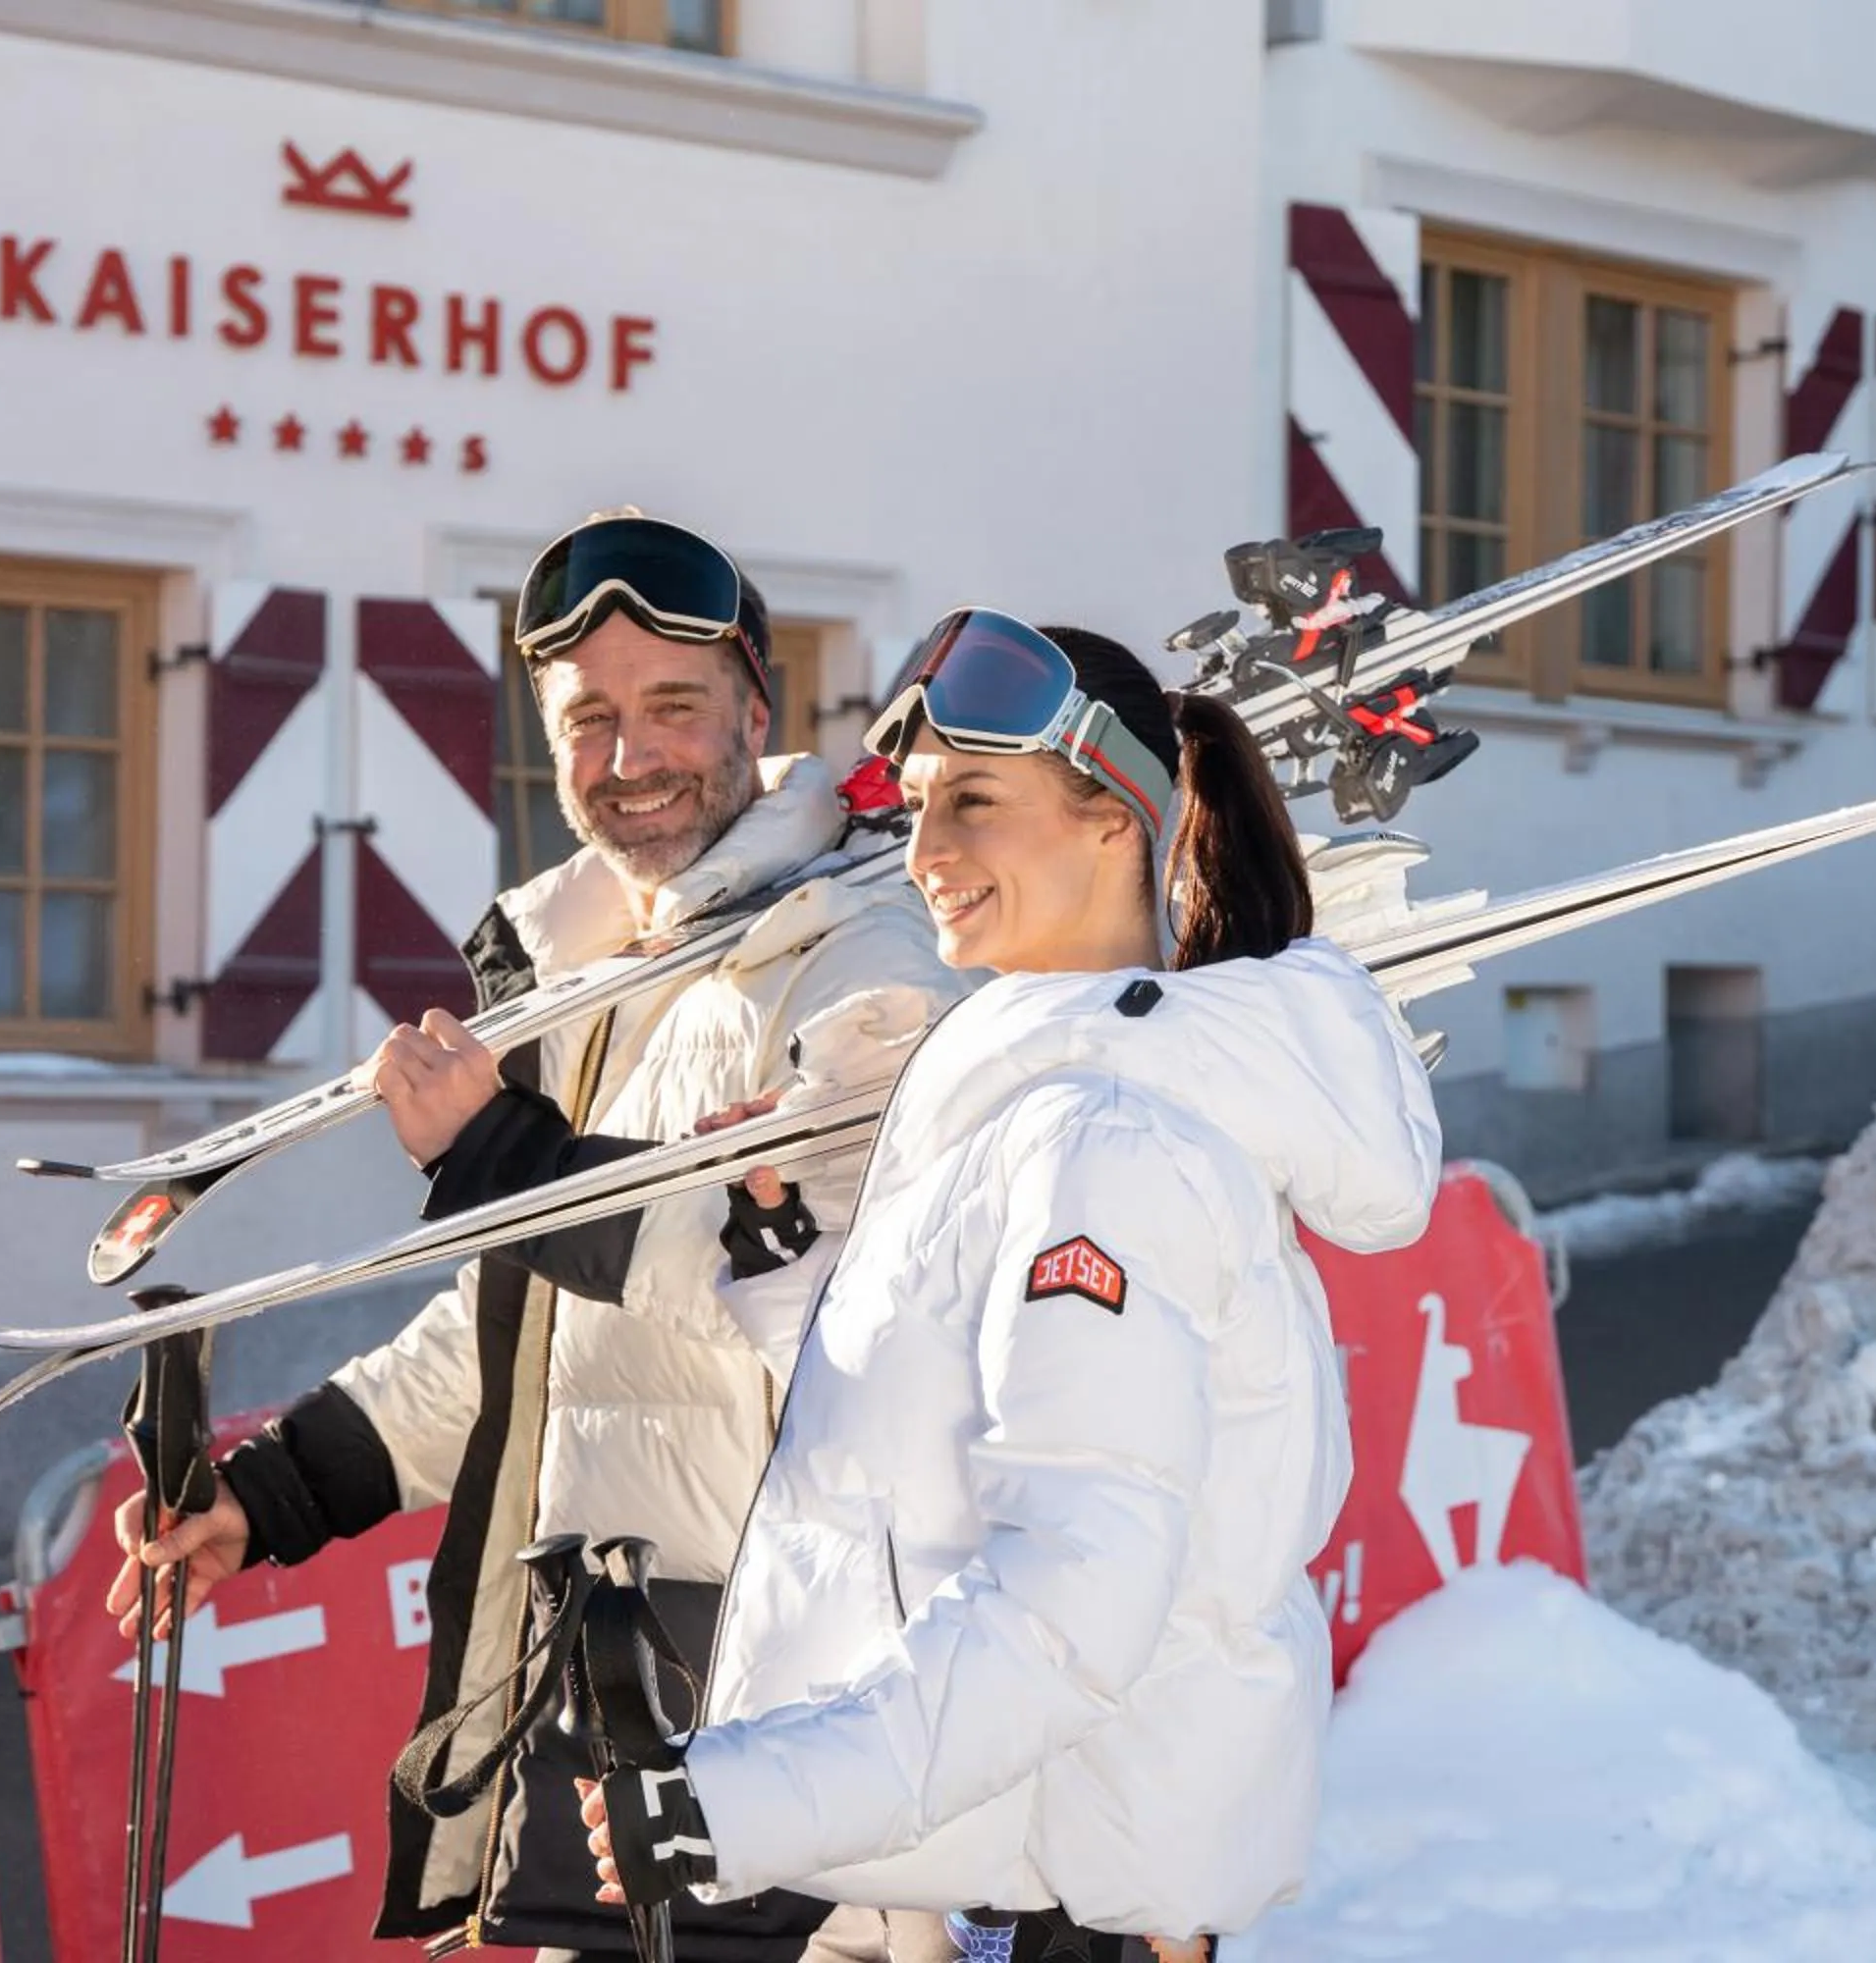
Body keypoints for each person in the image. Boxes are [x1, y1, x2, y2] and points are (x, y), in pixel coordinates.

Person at [105, 513, 967, 1962]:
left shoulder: (856, 961)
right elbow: (527, 1332)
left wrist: (509, 1157)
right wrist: (275, 1495)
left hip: (802, 1706)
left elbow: (819, 1294)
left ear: (756, 710)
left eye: (674, 709)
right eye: (591, 721)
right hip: (609, 1671)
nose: (630, 760)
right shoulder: (589, 980)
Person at [575, 612, 1444, 1962]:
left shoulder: (1103, 1136)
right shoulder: (1038, 1096)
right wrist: (782, 1248)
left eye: (974, 803)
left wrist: (725, 1809)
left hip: (1047, 1894)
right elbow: (967, 1444)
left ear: (1117, 822)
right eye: (918, 808)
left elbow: (1070, 1593)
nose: (925, 855)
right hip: (983, 1863)